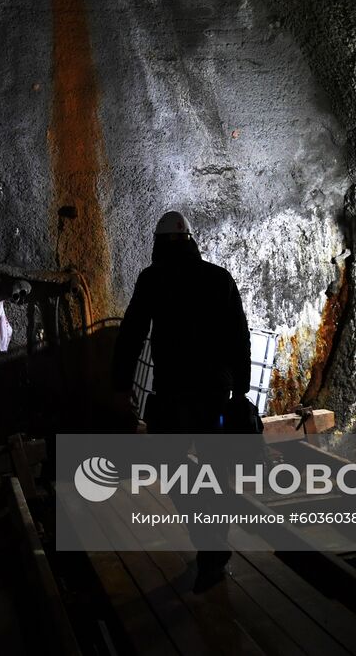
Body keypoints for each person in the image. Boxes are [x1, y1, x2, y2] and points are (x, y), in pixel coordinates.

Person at [111, 210, 252, 592]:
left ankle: (208, 541)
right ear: (191, 240)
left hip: (173, 393)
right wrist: (242, 390)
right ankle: (213, 551)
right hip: (212, 394)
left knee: (172, 468)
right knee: (217, 473)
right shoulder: (218, 278)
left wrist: (121, 386)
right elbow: (239, 336)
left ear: (158, 243)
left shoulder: (153, 279)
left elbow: (131, 335)